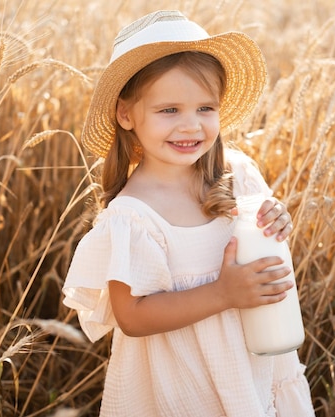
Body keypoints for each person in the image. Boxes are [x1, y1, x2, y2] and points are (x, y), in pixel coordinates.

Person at [62, 10, 315, 417]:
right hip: (184, 390)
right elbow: (133, 317)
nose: (190, 126)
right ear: (126, 114)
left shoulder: (238, 176)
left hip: (254, 372)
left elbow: (264, 251)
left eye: (204, 108)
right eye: (169, 110)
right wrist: (222, 294)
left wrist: (279, 221)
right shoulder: (133, 216)